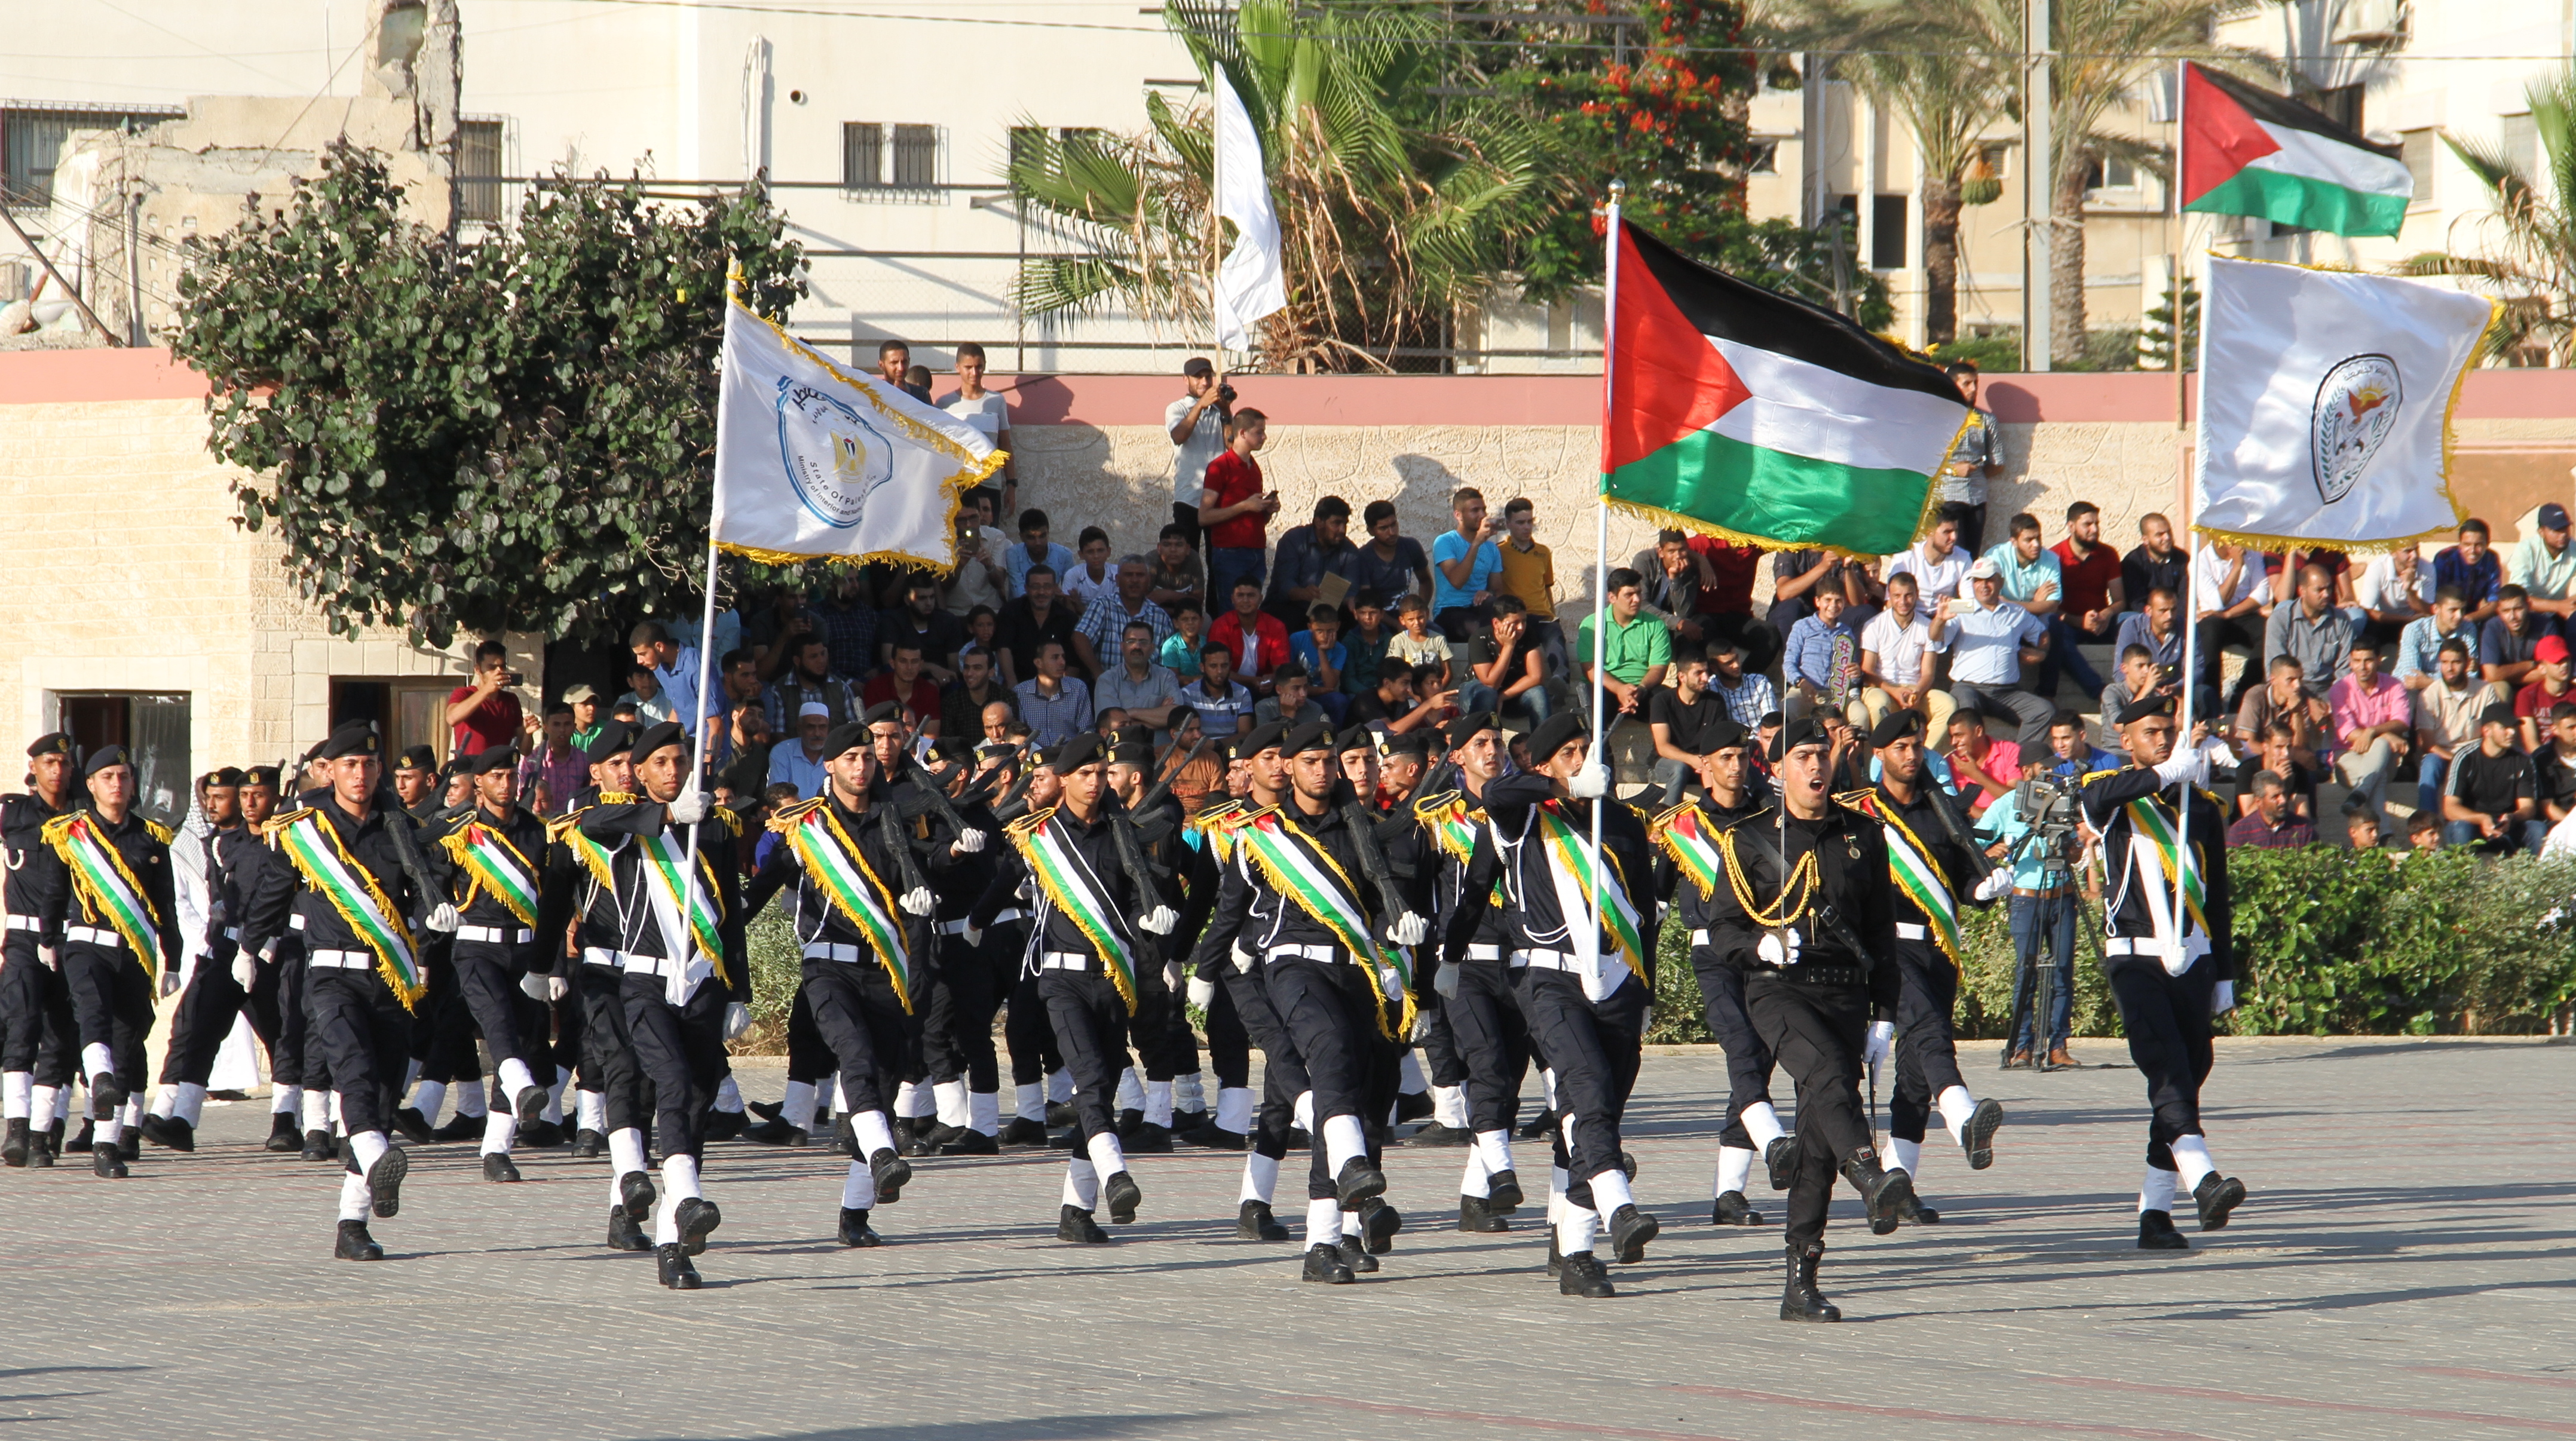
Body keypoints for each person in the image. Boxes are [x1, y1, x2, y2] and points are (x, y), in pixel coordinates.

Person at [1693, 715, 1911, 1320]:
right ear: (1778, 767)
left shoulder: (1863, 835)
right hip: (1779, 990)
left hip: (1845, 993)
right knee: (1829, 1080)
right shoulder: (1749, 837)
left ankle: (1801, 1280)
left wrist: (1884, 1016)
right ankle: (1871, 1173)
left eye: (1822, 754)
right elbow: (1722, 928)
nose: (1816, 766)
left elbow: (1880, 935)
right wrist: (1757, 946)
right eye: (1802, 756)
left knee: (1817, 1139)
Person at [1439, 711, 1658, 1296]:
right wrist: (1562, 787)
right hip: (1549, 981)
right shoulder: (1525, 814)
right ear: (1542, 765)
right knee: (1582, 1087)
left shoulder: (1621, 821)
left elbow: (1643, 912)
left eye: (1586, 750)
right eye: (1568, 753)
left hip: (1616, 983)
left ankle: (1572, 1249)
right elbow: (1498, 788)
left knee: (1597, 1115)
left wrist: (1649, 990)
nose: (1583, 760)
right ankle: (1618, 1209)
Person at [240, 722, 459, 1253]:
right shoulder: (304, 830)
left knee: (383, 1093)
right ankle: (373, 1153)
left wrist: (435, 921)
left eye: (368, 765)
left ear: (379, 770)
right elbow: (272, 890)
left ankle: (351, 1224)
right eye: (349, 766)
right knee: (354, 1072)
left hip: (389, 977)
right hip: (331, 976)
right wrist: (250, 948)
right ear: (329, 771)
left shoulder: (397, 828)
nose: (360, 775)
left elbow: (424, 890)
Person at [744, 718, 952, 1248]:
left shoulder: (892, 823)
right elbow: (763, 888)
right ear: (829, 767)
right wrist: (715, 942)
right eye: (851, 758)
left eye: (866, 756)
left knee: (880, 1084)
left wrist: (923, 892)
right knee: (853, 1057)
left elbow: (918, 875)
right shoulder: (806, 827)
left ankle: (855, 1212)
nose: (861, 766)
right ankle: (885, 1154)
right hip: (827, 968)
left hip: (884, 969)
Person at [573, 722, 751, 1287]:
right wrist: (673, 817)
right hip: (644, 985)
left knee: (697, 1102)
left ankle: (675, 1243)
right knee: (669, 1082)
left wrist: (737, 991)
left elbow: (731, 916)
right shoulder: (629, 824)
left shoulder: (717, 829)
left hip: (702, 983)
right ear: (641, 772)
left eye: (681, 761)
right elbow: (593, 822)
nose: (673, 771)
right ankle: (691, 1197)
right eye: (661, 763)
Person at [2078, 695, 2247, 1251]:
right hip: (2135, 957)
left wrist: (2222, 972)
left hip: (2191, 958)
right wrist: (2161, 772)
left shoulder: (2199, 807)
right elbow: (2093, 797)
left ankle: (2155, 1213)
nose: (2160, 738)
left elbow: (2216, 894)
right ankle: (2204, 1181)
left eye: (2167, 732)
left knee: (2188, 1073)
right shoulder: (2114, 797)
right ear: (2125, 740)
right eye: (2149, 732)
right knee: (2166, 1068)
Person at [1846, 712, 2005, 1219]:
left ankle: (1897, 1192)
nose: (1910, 756)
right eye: (1899, 748)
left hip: (1938, 948)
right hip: (1887, 949)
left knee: (1914, 1071)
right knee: (1931, 1033)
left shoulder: (1941, 809)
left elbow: (1959, 874)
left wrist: (1980, 890)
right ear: (1879, 754)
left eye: (1915, 746)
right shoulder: (1864, 815)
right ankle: (1961, 1114)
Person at [1404, 715, 1531, 1230]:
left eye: (1497, 742)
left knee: (1508, 1082)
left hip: (1520, 959)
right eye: (1480, 743)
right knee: (1486, 1065)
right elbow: (1415, 895)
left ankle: (1475, 1198)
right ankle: (1499, 1174)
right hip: (1465, 963)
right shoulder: (1436, 819)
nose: (1492, 750)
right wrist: (1419, 984)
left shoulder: (1523, 811)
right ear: (1456, 757)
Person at [41, 744, 185, 1178]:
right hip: (86, 943)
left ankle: (107, 1144)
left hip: (134, 951)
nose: (117, 784)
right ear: (91, 785)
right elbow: (53, 890)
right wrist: (49, 939)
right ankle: (99, 1080)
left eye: (123, 776)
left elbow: (166, 904)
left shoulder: (151, 837)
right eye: (108, 777)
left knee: (126, 1040)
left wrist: (173, 959)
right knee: (92, 1016)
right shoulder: (70, 834)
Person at [420, 746, 558, 1182]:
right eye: (496, 775)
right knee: (495, 1020)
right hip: (476, 947)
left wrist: (554, 965)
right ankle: (521, 1089)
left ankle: (496, 1149)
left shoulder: (537, 832)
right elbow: (429, 885)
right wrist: (427, 941)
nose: (506, 783)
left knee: (518, 1037)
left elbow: (553, 903)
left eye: (511, 775)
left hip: (526, 949)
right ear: (478, 782)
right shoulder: (458, 831)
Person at [2, 734, 78, 1169]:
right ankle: (16, 1126)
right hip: (25, 937)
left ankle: (45, 1131)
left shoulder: (82, 820)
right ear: (33, 766)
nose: (57, 771)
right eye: (49, 762)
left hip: (70, 938)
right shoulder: (12, 813)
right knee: (22, 1024)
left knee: (62, 1034)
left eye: (64, 764)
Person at [1934, 557, 2054, 749]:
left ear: (2001, 582)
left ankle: (2017, 760)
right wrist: (1939, 620)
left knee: (2044, 710)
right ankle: (1969, 762)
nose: (1983, 585)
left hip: (2006, 692)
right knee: (1967, 711)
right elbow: (1935, 638)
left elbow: (2042, 634)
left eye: (1989, 579)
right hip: (1969, 688)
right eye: (1978, 580)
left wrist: (2041, 652)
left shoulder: (2016, 612)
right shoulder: (1961, 606)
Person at [1199, 407, 1278, 605]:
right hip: (1230, 553)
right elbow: (1204, 517)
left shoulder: (1254, 467)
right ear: (1242, 433)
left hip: (1257, 550)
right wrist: (1244, 506)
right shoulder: (1220, 466)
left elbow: (1253, 516)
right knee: (1231, 610)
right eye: (1259, 432)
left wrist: (1266, 509)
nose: (1264, 437)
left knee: (1252, 611)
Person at [2327, 634, 2410, 817]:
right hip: (2349, 755)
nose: (2362, 667)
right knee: (2377, 776)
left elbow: (2403, 721)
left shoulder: (2394, 686)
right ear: (2350, 662)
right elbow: (2347, 733)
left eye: (2368, 661)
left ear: (2379, 660)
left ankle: (2359, 796)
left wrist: (2373, 732)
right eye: (2357, 661)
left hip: (2387, 759)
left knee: (2380, 751)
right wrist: (2385, 734)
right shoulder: (2340, 689)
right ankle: (2386, 834)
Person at [2442, 703, 2543, 853]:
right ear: (2487, 731)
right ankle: (2461, 874)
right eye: (2505, 728)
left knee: (2537, 829)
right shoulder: (2465, 758)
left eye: (2514, 727)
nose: (2512, 732)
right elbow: (2450, 808)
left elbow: (2528, 807)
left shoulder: (2523, 760)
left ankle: (2540, 875)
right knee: (2460, 828)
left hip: (2508, 826)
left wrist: (2512, 818)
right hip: (2473, 825)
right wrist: (2481, 819)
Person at [1575, 568, 1671, 720]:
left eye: (1639, 593)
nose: (1637, 599)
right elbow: (1589, 668)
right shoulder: (1592, 625)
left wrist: (1640, 690)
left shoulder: (1656, 625)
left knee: (1667, 700)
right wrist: (1619, 689)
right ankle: (1601, 746)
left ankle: (1662, 745)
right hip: (1607, 689)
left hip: (1642, 689)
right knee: (1594, 700)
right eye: (1629, 595)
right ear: (1612, 597)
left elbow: (1659, 667)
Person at [2048, 501, 2122, 697]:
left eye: (2097, 523)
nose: (2095, 529)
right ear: (2071, 527)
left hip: (2102, 623)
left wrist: (2106, 615)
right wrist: (2079, 622)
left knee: (2133, 621)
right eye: (2088, 524)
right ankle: (2100, 692)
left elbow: (2120, 601)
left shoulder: (2108, 554)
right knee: (2054, 631)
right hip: (2070, 624)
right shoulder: (2054, 557)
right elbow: (2049, 606)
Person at [939, 342, 1017, 516]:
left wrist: (1011, 485)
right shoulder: (945, 404)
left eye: (979, 367)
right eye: (969, 367)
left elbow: (1005, 445)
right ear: (957, 367)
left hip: (990, 486)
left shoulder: (997, 401)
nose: (974, 373)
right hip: (958, 485)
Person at [1493, 498, 1569, 675]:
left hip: (1542, 616)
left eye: (1530, 521)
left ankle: (1560, 682)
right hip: (1515, 618)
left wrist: (1553, 615)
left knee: (1556, 642)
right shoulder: (1498, 551)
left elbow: (1547, 587)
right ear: (1508, 524)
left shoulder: (1543, 552)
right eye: (1520, 522)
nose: (1527, 527)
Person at [2192, 540, 2271, 707]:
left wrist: (2228, 614)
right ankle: (2211, 697)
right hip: (2212, 619)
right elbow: (2216, 604)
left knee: (2269, 630)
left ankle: (2242, 693)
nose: (2237, 542)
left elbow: (2262, 596)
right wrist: (2237, 566)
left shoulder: (2253, 554)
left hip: (2243, 613)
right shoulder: (2200, 562)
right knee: (2210, 630)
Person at [1166, 358, 1232, 557]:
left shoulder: (1219, 410)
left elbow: (1232, 446)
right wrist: (1200, 406)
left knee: (1219, 561)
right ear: (1186, 380)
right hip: (1189, 498)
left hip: (1218, 498)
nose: (1205, 382)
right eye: (1198, 377)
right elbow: (1179, 436)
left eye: (1208, 376)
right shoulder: (1176, 409)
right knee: (1186, 558)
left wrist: (1227, 410)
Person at [1073, 554, 1175, 680]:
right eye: (1129, 575)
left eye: (1140, 575)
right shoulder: (1102, 606)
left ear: (1148, 580)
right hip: (1108, 688)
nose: (1134, 580)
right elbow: (1080, 637)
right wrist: (1099, 675)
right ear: (1117, 579)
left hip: (1148, 691)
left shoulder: (1161, 618)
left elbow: (1169, 660)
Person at [1937, 359, 2002, 554]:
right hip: (1947, 494)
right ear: (1953, 385)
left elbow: (1998, 461)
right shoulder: (1937, 419)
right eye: (1967, 383)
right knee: (1953, 552)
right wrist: (1952, 470)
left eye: (1976, 383)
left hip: (1977, 496)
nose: (1973, 389)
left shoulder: (1987, 420)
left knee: (1972, 554)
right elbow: (1922, 461)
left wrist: (1977, 472)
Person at [1266, 496, 1355, 632]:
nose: (1342, 530)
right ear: (1319, 522)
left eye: (1345, 524)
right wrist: (1303, 593)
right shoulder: (1294, 540)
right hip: (1289, 607)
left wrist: (1350, 601)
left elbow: (1351, 590)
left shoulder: (1350, 550)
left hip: (1329, 613)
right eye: (1336, 523)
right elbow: (1284, 585)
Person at [1782, 584, 1863, 725]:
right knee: (1785, 711)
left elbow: (1851, 676)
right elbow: (1788, 663)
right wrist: (1801, 682)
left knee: (1860, 715)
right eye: (1828, 600)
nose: (1833, 605)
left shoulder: (1847, 633)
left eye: (1838, 601)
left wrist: (1856, 674)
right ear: (1817, 601)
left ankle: (1854, 748)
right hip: (1805, 691)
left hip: (1837, 694)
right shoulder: (1803, 626)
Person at [1461, 593, 1546, 726]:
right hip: (1476, 693)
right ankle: (1481, 737)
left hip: (1512, 693)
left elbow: (1536, 677)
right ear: (1496, 623)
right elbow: (1490, 683)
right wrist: (1509, 646)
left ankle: (1544, 745)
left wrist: (1502, 697)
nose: (1521, 628)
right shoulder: (1480, 638)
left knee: (1539, 693)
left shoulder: (1528, 634)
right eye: (1515, 623)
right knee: (1488, 694)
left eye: (1524, 621)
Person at [1430, 488, 1504, 640]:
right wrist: (1476, 543)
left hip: (1480, 609)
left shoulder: (1491, 549)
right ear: (1458, 515)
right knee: (1480, 630)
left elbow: (1498, 589)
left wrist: (1488, 593)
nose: (1482, 515)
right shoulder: (1445, 542)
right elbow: (1457, 581)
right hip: (1450, 611)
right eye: (1475, 511)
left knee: (1506, 619)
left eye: (1483, 510)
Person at [1336, 499, 1432, 609]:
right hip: (1379, 619)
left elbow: (1425, 581)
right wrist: (1397, 625)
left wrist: (1420, 610)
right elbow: (1368, 601)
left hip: (1407, 616)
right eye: (1383, 528)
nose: (1392, 532)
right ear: (1371, 531)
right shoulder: (1364, 557)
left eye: (1393, 525)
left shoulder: (1411, 546)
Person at [994, 565, 1079, 688]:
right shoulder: (1010, 612)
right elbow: (1003, 649)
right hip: (1018, 684)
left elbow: (1073, 662)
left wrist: (1063, 693)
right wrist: (1014, 688)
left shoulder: (1068, 618)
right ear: (1026, 588)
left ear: (1055, 588)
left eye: (1047, 586)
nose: (1041, 592)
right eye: (1035, 587)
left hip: (1055, 689)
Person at [1092, 621, 1184, 730]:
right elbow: (1112, 726)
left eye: (1143, 642)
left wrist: (1130, 712)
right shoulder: (1107, 680)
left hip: (1161, 747)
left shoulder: (1166, 676)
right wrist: (1159, 715)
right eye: (1131, 641)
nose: (1137, 647)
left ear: (1152, 648)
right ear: (1122, 646)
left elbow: (1177, 718)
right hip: (1122, 746)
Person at [444, 640, 529, 756]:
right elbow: (452, 719)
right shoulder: (464, 693)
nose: (499, 672)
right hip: (471, 769)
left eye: (502, 666)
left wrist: (529, 733)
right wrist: (486, 690)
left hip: (501, 769)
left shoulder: (511, 700)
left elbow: (526, 751)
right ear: (478, 670)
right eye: (492, 668)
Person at [1211, 575, 1292, 691]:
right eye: (1240, 595)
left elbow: (1282, 671)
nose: (1245, 600)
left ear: (1261, 599)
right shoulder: (1220, 626)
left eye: (1251, 595)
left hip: (1266, 689)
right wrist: (1252, 681)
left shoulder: (1276, 626)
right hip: (1227, 687)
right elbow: (1218, 671)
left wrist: (1272, 679)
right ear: (1232, 599)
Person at [629, 622, 705, 740]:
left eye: (643, 654)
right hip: (684, 742)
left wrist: (709, 756)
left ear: (659, 647)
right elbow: (677, 709)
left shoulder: (694, 663)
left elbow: (715, 721)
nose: (639, 661)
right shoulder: (659, 668)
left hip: (703, 744)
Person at [2395, 587, 2479, 692]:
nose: (2459, 616)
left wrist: (2430, 682)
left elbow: (2471, 675)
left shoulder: (2468, 629)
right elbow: (2412, 679)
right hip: (2411, 691)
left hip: (2449, 690)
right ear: (2436, 609)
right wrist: (2452, 681)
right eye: (2453, 610)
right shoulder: (2415, 630)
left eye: (2463, 610)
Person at [1886, 505, 1972, 608]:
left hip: (1947, 618)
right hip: (1911, 618)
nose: (1954, 538)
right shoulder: (1906, 557)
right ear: (1929, 532)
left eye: (1956, 531)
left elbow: (1970, 605)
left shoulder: (1963, 557)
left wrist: (1950, 607)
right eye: (1947, 532)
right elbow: (1891, 603)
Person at [1013, 639, 1093, 747]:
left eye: (1063, 657)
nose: (1062, 662)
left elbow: (1086, 731)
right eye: (1055, 658)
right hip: (1034, 758)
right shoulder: (1020, 692)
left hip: (1069, 756)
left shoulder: (1078, 688)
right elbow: (1019, 735)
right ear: (1038, 663)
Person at [2349, 545, 2433, 645]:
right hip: (2383, 621)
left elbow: (2428, 610)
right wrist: (2406, 619)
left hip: (2414, 621)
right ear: (2393, 553)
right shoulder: (2377, 568)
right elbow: (2368, 611)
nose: (2415, 555)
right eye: (2408, 551)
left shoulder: (2427, 567)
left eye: (2417, 549)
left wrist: (2409, 590)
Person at [2478, 584, 2557, 688]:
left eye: (2518, 609)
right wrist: (2531, 664)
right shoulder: (2492, 627)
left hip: (2539, 686)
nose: (2513, 617)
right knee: (2499, 688)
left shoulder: (2546, 625)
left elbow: (2552, 671)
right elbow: (2492, 675)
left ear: (2528, 606)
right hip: (2506, 684)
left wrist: (2504, 675)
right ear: (2498, 611)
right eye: (2506, 611)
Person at [2512, 502, 2576, 623]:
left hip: (2562, 615)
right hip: (2528, 615)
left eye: (2565, 528)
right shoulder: (2526, 550)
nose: (2563, 535)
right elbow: (2518, 596)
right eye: (2556, 530)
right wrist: (2558, 606)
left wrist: (2565, 606)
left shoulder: (2574, 549)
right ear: (2541, 532)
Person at [939, 645, 1017, 744]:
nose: (969, 673)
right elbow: (948, 743)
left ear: (991, 672)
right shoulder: (952, 702)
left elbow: (1014, 736)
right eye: (967, 668)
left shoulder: (1006, 697)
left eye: (977, 668)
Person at [861, 640, 944, 732]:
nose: (909, 667)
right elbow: (870, 731)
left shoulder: (930, 691)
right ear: (893, 664)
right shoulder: (875, 687)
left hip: (918, 745)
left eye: (914, 662)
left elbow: (931, 738)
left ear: (921, 665)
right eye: (903, 661)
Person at [1180, 643, 1257, 738]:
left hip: (1232, 750)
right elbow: (1190, 735)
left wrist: (1217, 745)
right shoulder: (1188, 693)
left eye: (1224, 666)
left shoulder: (1242, 693)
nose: (1220, 671)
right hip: (1200, 750)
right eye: (1213, 666)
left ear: (1230, 665)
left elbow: (1245, 734)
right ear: (1202, 667)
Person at [1288, 605, 1350, 723]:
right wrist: (1319, 690)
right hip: (1297, 692)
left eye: (1330, 631)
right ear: (1310, 627)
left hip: (1322, 696)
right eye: (1319, 631)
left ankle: (1334, 737)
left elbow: (1330, 684)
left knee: (1340, 701)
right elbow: (1287, 677)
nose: (1325, 636)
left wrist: (1322, 651)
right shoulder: (1297, 639)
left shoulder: (1340, 649)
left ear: (1338, 626)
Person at [2434, 519, 2504, 623]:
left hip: (2474, 617)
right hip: (2446, 616)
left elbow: (2494, 603)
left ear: (2487, 544)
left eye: (2479, 545)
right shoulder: (2444, 558)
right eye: (2467, 545)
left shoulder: (2491, 559)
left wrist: (2467, 620)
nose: (2473, 551)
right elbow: (2435, 599)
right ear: (2460, 544)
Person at [2517, 634, 2576, 750]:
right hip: (2543, 758)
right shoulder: (2527, 695)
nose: (2564, 665)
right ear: (2542, 668)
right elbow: (2531, 741)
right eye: (2557, 662)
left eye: (2566, 659)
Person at [2226, 771, 2316, 848]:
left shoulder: (2303, 828)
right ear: (2259, 801)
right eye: (2275, 797)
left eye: (2284, 794)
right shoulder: (2240, 832)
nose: (2283, 801)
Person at [1004, 510, 1077, 603]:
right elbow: (1019, 594)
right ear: (1021, 537)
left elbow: (1070, 594)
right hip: (1020, 610)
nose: (1038, 543)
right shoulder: (1013, 554)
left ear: (1048, 533)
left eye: (1043, 536)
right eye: (1031, 537)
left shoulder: (1064, 554)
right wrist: (1052, 593)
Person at [2122, 514, 2186, 618]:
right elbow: (2136, 603)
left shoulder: (2182, 558)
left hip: (2175, 617)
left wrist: (2176, 618)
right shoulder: (2132, 563)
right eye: (2160, 535)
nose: (2167, 538)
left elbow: (2185, 597)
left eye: (2169, 532)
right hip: (2144, 619)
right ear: (2145, 540)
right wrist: (2157, 620)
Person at [767, 702, 835, 799]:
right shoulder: (782, 752)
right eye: (811, 727)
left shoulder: (836, 753)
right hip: (794, 813)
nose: (817, 733)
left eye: (822, 727)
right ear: (799, 729)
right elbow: (778, 796)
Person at [1707, 639, 1778, 731]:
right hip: (1732, 743)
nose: (1736, 665)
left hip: (1761, 739)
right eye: (1729, 663)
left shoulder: (1759, 682)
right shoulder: (1710, 688)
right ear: (1714, 668)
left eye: (1737, 658)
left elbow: (1771, 720)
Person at [1062, 526, 1120, 617]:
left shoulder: (1117, 573)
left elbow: (1117, 613)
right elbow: (1070, 615)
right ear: (1081, 555)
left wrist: (1080, 606)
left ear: (1109, 552)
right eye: (1090, 552)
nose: (1096, 556)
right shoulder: (1073, 575)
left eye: (1100, 551)